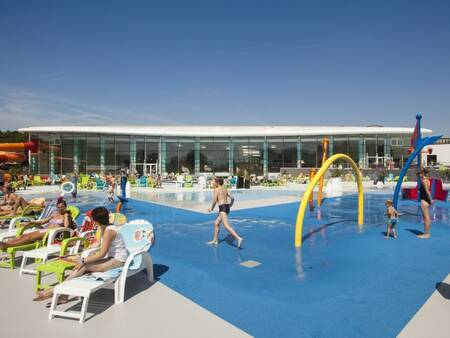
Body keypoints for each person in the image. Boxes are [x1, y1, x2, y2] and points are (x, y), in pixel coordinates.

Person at [33, 206, 129, 302]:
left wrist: (83, 260)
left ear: (97, 220)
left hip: (118, 261)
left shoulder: (109, 231)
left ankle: (52, 291)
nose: (93, 222)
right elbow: (98, 243)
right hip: (110, 258)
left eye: (93, 220)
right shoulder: (105, 227)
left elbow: (102, 254)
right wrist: (84, 251)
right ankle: (63, 296)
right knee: (79, 266)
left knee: (83, 266)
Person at [0, 199, 74, 251]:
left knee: (29, 237)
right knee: (24, 235)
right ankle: (6, 243)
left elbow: (66, 227)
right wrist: (32, 223)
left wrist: (66, 215)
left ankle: (8, 245)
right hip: (45, 230)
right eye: (59, 207)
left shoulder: (66, 215)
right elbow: (42, 222)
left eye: (62, 207)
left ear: (65, 207)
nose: (60, 208)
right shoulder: (54, 214)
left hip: (53, 234)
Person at [207, 177, 243, 248]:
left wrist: (211, 208)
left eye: (213, 181)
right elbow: (232, 198)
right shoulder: (225, 189)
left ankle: (238, 238)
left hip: (222, 208)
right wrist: (231, 204)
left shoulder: (216, 189)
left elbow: (214, 200)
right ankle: (215, 240)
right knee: (216, 223)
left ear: (217, 182)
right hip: (227, 207)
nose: (212, 182)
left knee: (226, 226)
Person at [417, 169, 432, 239]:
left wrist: (431, 200)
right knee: (427, 218)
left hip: (424, 201)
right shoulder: (428, 180)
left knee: (426, 218)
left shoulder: (424, 181)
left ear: (423, 173)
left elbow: (427, 192)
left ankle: (426, 234)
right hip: (426, 201)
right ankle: (427, 233)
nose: (419, 175)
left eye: (420, 173)